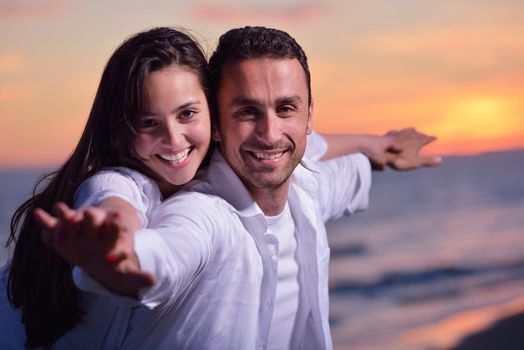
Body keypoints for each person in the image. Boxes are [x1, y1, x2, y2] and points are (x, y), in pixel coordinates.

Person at [0, 26, 438, 349]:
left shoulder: (303, 180)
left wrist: (381, 147)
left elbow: (306, 145)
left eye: (186, 114)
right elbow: (144, 237)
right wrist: (118, 256)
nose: (173, 139)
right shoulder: (163, 199)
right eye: (149, 122)